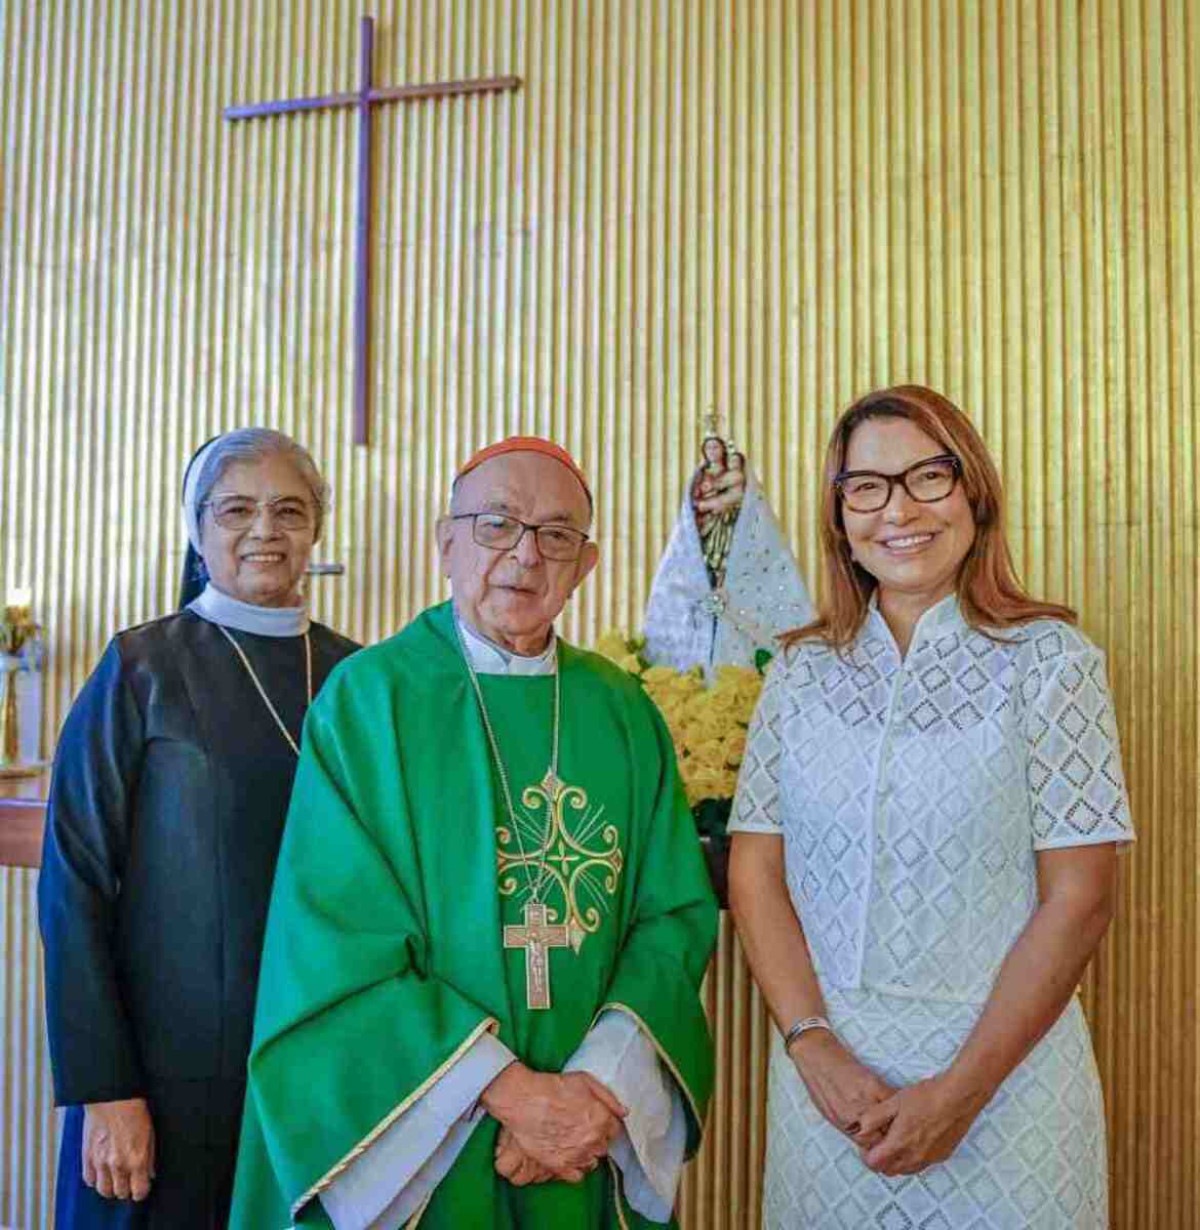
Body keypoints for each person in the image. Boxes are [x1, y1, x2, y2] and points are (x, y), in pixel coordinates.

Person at [229, 436, 717, 1229]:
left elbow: (673, 919)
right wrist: (513, 1094)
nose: (525, 556)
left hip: (586, 1126)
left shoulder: (623, 711)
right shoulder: (369, 703)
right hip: (426, 1138)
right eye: (497, 525)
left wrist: (594, 1092)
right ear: (445, 543)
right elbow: (333, 944)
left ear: (584, 565)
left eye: (556, 535)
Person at [728, 386, 1133, 1228]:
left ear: (973, 493)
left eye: (928, 477)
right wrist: (813, 1046)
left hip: (1007, 1091)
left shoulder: (1051, 663)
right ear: (839, 514)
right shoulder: (800, 674)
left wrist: (960, 1092)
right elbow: (757, 873)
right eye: (866, 487)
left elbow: (1081, 899)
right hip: (829, 1092)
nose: (899, 510)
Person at [38, 428, 359, 1228]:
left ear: (317, 528)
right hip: (160, 1073)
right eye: (237, 509)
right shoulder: (141, 669)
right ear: (197, 527)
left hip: (317, 1065)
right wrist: (106, 1089)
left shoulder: (361, 679)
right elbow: (73, 886)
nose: (264, 530)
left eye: (289, 510)